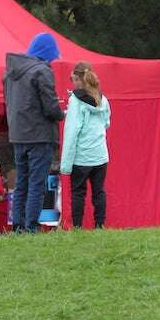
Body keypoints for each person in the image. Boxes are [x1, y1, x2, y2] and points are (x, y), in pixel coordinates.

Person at [3, 32, 64, 233]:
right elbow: (50, 107)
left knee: (22, 182)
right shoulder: (42, 71)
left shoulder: (11, 73)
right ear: (47, 53)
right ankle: (31, 226)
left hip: (18, 135)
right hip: (39, 135)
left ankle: (18, 225)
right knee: (37, 183)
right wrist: (61, 112)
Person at [60, 62, 111, 228]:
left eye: (73, 79)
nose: (72, 83)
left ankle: (77, 227)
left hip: (82, 157)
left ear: (78, 80)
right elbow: (106, 123)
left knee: (78, 193)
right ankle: (100, 225)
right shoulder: (102, 99)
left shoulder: (76, 101)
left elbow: (71, 132)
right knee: (99, 191)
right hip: (100, 155)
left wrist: (66, 165)